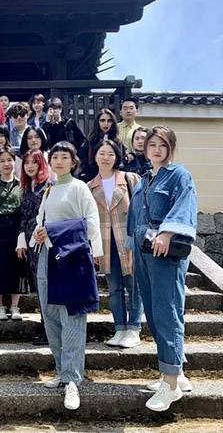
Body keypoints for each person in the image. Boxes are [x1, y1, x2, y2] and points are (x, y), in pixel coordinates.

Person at [126, 125, 197, 412]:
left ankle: (170, 384)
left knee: (167, 311)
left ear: (171, 148)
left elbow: (185, 206)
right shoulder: (144, 179)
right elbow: (134, 217)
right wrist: (130, 252)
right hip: (142, 249)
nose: (156, 150)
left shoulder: (179, 174)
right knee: (153, 312)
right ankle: (173, 373)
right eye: (152, 145)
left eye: (162, 145)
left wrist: (166, 233)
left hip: (164, 250)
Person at [31, 141, 102, 411]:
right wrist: (38, 232)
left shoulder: (79, 187)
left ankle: (73, 379)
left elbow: (91, 225)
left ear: (74, 162)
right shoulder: (49, 190)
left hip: (72, 259)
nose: (59, 161)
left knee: (72, 319)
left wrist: (53, 231)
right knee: (50, 316)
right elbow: (41, 221)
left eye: (65, 157)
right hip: (47, 257)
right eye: (55, 157)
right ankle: (62, 372)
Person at [87, 140, 142, 349]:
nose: (105, 157)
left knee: (134, 286)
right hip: (105, 243)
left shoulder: (130, 179)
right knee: (114, 288)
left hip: (128, 241)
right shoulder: (89, 187)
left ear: (116, 157)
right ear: (95, 157)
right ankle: (119, 328)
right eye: (101, 153)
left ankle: (134, 328)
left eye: (110, 154)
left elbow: (141, 209)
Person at [16, 149, 55, 345]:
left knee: (47, 282)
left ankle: (51, 327)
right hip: (31, 239)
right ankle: (45, 322)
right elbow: (23, 216)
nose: (30, 166)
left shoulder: (49, 185)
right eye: (27, 162)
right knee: (39, 283)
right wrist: (21, 239)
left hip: (46, 237)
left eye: (34, 162)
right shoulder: (26, 187)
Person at [0, 147, 26, 321]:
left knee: (17, 265)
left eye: (9, 160)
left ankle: (15, 306)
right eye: (2, 161)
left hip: (16, 227)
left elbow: (25, 210)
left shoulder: (22, 184)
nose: (6, 164)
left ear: (14, 162)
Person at [79, 108, 123, 182]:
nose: (106, 123)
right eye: (102, 120)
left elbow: (120, 162)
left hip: (113, 177)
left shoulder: (117, 142)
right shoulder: (90, 141)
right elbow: (84, 162)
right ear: (98, 122)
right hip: (92, 177)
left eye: (109, 121)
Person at [41, 97, 86, 162]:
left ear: (60, 109)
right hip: (53, 157)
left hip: (68, 156)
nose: (52, 112)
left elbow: (81, 139)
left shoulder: (69, 123)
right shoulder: (45, 125)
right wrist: (48, 123)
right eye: (50, 109)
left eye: (55, 109)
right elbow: (44, 142)